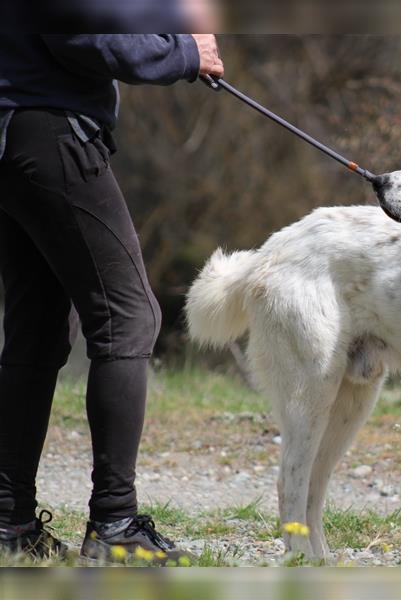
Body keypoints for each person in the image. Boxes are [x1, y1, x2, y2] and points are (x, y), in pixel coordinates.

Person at [0, 32, 224, 563]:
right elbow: (85, 33)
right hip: (51, 133)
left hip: (11, 134)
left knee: (36, 325)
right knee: (130, 317)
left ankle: (9, 522)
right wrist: (185, 52)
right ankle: (114, 526)